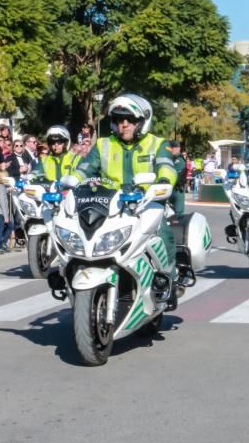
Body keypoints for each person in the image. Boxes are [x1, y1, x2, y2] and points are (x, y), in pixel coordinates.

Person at [73, 94, 179, 310]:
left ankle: (169, 279)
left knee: (164, 234)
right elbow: (86, 168)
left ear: (141, 121)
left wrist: (164, 181)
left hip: (148, 204)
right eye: (120, 119)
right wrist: (72, 181)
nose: (124, 124)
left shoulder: (158, 144)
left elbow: (166, 166)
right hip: (109, 206)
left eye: (130, 119)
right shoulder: (103, 144)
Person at [168, 140, 188, 215]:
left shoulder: (179, 160)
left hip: (178, 189)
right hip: (171, 189)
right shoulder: (171, 159)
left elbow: (176, 174)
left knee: (178, 213)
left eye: (172, 148)